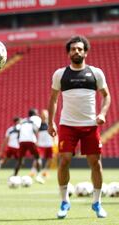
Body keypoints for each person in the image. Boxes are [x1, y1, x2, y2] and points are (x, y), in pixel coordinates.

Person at [48, 36, 111, 219]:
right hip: (67, 125)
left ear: (85, 52)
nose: (76, 51)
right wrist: (51, 122)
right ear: (68, 53)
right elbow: (53, 99)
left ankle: (97, 203)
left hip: (90, 125)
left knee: (95, 164)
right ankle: (64, 201)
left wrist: (102, 114)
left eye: (80, 49)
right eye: (73, 49)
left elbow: (106, 96)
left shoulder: (96, 73)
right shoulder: (60, 74)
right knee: (64, 160)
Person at [13, 108, 45, 184]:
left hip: (22, 141)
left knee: (20, 160)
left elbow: (17, 129)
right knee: (38, 158)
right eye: (37, 113)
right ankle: (38, 176)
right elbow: (35, 129)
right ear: (34, 113)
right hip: (31, 140)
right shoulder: (37, 119)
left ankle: (15, 176)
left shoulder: (23, 120)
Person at [37, 109, 56, 178]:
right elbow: (36, 132)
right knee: (38, 158)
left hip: (49, 143)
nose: (44, 115)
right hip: (40, 144)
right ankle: (34, 171)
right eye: (43, 114)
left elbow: (54, 133)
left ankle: (45, 171)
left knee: (50, 158)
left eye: (45, 114)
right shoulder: (38, 123)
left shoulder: (51, 123)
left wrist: (54, 141)